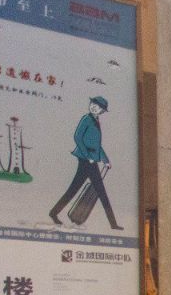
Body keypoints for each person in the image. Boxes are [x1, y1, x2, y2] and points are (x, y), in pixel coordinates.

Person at [49, 96, 122, 230]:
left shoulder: (96, 121)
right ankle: (113, 224)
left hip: (91, 160)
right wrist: (88, 156)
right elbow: (77, 137)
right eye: (93, 103)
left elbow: (97, 145)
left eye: (97, 106)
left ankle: (53, 213)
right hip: (86, 160)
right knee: (99, 192)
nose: (94, 106)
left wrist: (106, 160)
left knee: (77, 189)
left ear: (102, 111)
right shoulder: (87, 119)